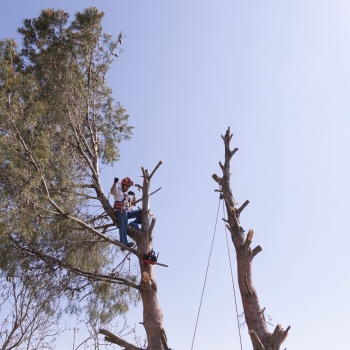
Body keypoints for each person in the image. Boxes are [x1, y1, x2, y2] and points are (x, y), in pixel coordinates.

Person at [110, 177, 141, 247]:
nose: (128, 188)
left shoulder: (127, 195)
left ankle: (134, 223)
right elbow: (112, 192)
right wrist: (115, 183)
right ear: (123, 184)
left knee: (142, 212)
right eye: (127, 186)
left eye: (129, 186)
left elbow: (134, 204)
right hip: (120, 210)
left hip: (127, 212)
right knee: (123, 224)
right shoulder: (118, 191)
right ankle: (123, 242)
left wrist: (134, 195)